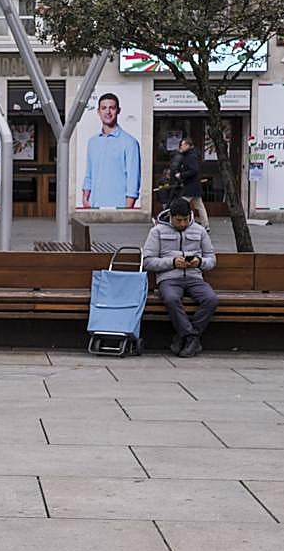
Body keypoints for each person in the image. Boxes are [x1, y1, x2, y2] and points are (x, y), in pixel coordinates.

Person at [141, 196, 218, 358]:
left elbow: (211, 259)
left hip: (194, 277)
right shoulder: (157, 232)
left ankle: (186, 336)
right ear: (171, 216)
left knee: (211, 299)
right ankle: (191, 337)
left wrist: (199, 262)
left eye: (186, 219)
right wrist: (173, 262)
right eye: (178, 220)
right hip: (169, 279)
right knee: (171, 299)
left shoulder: (199, 230)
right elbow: (148, 261)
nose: (182, 223)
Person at [82, 93, 140, 209]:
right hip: (94, 206)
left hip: (118, 208)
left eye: (112, 108)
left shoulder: (130, 142)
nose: (108, 112)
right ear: (98, 111)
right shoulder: (92, 142)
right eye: (104, 108)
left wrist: (127, 210)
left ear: (118, 111)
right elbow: (89, 173)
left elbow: (133, 179)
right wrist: (85, 198)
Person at [171, 136, 208, 227]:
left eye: (182, 145)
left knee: (180, 203)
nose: (181, 147)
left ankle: (172, 219)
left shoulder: (191, 156)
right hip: (193, 185)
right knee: (199, 206)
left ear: (188, 145)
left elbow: (194, 170)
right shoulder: (191, 155)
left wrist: (181, 175)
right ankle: (205, 224)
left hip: (191, 186)